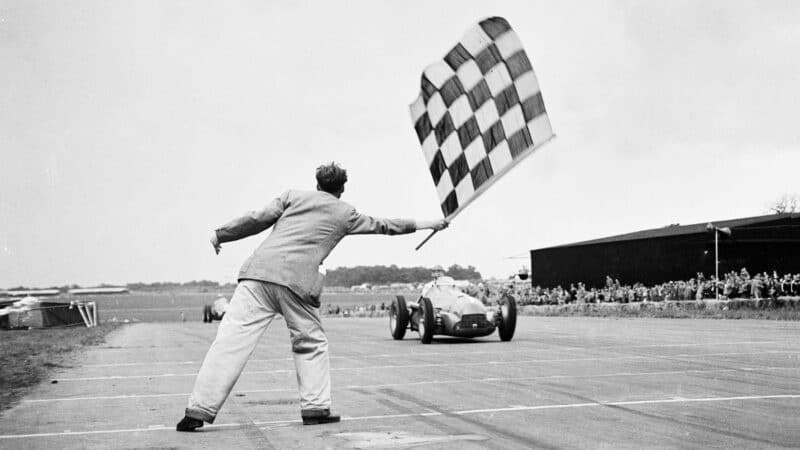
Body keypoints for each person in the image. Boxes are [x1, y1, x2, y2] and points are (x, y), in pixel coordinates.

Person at [176, 162, 447, 431]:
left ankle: (197, 411)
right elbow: (386, 225)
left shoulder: (292, 196)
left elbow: (256, 219)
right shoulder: (346, 213)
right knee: (310, 343)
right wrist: (429, 223)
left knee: (229, 343)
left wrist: (219, 234)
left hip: (257, 275)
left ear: (317, 184)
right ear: (341, 189)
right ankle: (315, 407)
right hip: (298, 283)